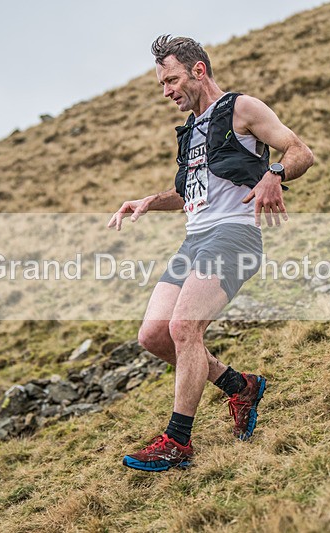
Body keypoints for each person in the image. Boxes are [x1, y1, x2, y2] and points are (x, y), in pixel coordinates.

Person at [107, 35, 314, 470]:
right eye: (162, 84)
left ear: (198, 71)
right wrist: (148, 200)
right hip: (195, 239)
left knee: (185, 328)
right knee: (154, 336)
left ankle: (177, 442)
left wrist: (274, 173)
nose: (166, 91)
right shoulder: (191, 131)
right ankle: (241, 386)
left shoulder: (242, 108)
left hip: (234, 236)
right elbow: (190, 194)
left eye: (172, 80)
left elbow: (300, 151)